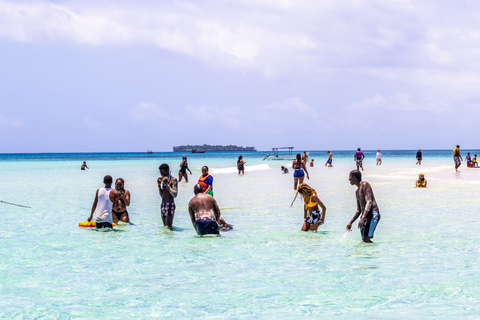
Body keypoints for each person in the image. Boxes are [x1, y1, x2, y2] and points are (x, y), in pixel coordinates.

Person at [346, 170, 381, 243]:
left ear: (354, 177)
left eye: (349, 177)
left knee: (366, 238)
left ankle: (374, 253)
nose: (349, 179)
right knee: (364, 239)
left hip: (372, 214)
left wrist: (362, 218)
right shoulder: (357, 191)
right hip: (364, 215)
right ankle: (366, 253)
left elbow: (369, 201)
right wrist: (350, 223)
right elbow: (359, 210)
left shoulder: (365, 184)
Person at [157, 164, 178, 230]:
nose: (161, 174)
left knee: (168, 227)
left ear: (167, 170)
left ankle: (171, 238)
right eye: (160, 173)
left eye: (162, 172)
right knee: (165, 227)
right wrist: (158, 186)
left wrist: (167, 185)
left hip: (170, 204)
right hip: (163, 204)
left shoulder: (173, 180)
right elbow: (162, 195)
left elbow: (175, 194)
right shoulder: (163, 180)